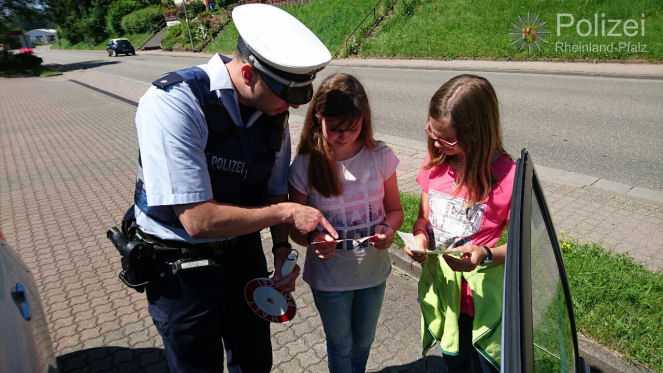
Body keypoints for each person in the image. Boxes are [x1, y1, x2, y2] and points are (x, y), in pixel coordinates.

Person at [130, 4, 338, 373]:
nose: (289, 108)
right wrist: (288, 213)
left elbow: (274, 190)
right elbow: (198, 219)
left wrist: (279, 249)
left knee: (255, 360)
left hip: (242, 254)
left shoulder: (272, 114)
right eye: (285, 97)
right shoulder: (173, 103)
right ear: (247, 73)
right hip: (180, 267)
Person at [288, 73, 404, 373]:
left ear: (364, 120)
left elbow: (395, 210)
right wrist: (313, 238)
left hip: (373, 272)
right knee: (340, 345)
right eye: (335, 128)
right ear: (318, 118)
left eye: (352, 127)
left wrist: (388, 230)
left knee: (364, 342)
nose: (343, 135)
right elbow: (295, 226)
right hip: (330, 278)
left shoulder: (380, 156)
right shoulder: (305, 164)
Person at [404, 74, 516, 373]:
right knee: (453, 363)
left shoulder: (509, 177)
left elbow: (524, 248)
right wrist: (420, 240)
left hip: (485, 306)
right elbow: (424, 220)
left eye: (447, 139)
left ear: (476, 134)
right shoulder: (435, 167)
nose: (437, 144)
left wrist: (486, 255)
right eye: (432, 131)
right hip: (447, 299)